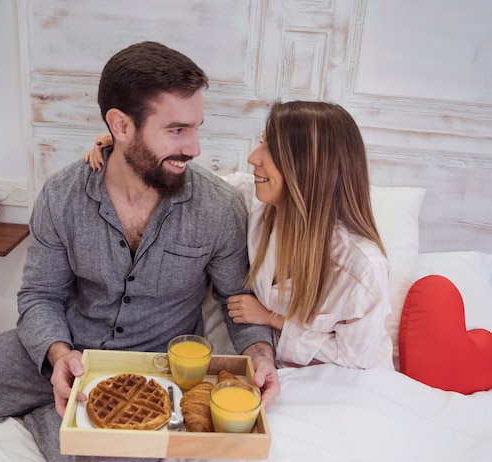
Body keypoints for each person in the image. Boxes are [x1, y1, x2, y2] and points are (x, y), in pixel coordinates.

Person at [0, 41, 279, 462]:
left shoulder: (218, 207)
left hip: (151, 373)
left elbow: (239, 304)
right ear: (120, 126)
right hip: (57, 351)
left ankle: (43, 420)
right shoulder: (61, 196)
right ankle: (39, 406)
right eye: (177, 130)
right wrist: (57, 353)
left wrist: (259, 355)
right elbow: (39, 295)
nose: (195, 147)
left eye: (197, 127)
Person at [86, 100, 394, 370]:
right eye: (261, 143)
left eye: (270, 149)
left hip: (344, 381)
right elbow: (187, 184)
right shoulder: (247, 200)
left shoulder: (362, 268)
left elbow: (355, 358)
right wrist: (129, 152)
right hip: (271, 368)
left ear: (308, 168)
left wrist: (272, 318)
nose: (253, 158)